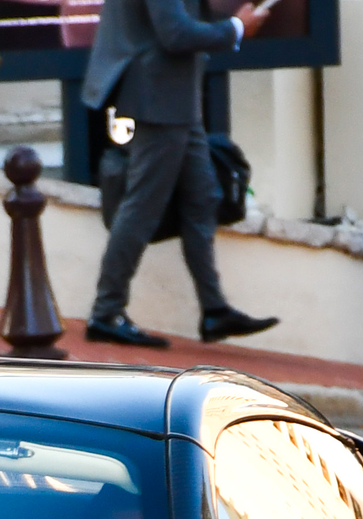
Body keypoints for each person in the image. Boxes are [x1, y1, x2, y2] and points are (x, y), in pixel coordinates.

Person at [80, 0, 283, 351]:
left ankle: (214, 309)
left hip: (177, 100)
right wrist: (236, 28)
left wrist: (233, 18)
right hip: (159, 99)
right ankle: (106, 313)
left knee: (202, 198)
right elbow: (174, 33)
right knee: (142, 207)